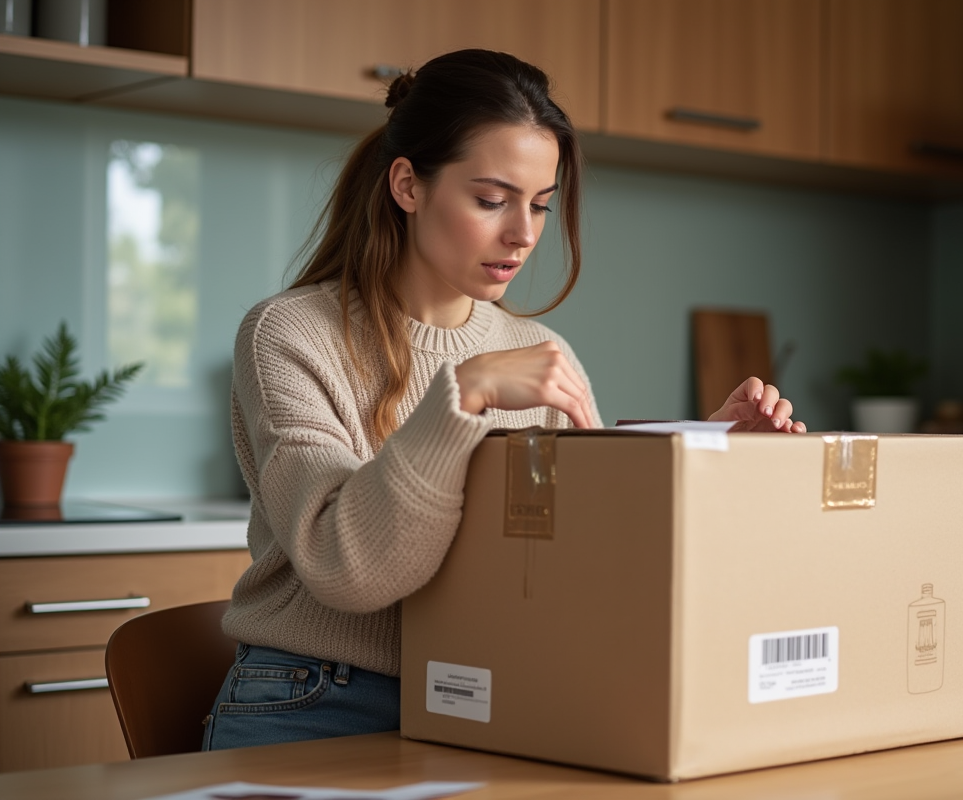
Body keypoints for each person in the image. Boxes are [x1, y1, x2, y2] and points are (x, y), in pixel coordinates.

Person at [202, 48, 806, 752]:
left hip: (486, 691)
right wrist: (465, 392)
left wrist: (703, 453)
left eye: (540, 205)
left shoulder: (538, 350)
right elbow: (350, 569)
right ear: (408, 185)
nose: (522, 234)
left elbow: (582, 560)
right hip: (316, 697)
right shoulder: (289, 333)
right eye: (491, 200)